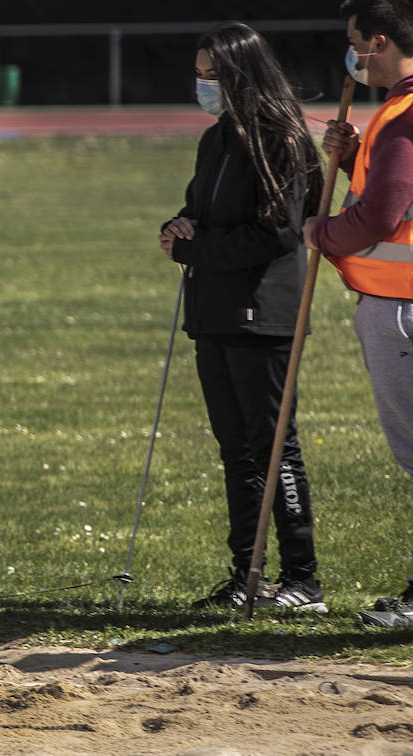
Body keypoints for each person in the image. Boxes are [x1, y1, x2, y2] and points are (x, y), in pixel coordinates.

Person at [159, 22, 326, 611]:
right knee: (236, 451)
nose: (205, 86)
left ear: (241, 74)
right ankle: (246, 576)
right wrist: (178, 225)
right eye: (200, 76)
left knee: (275, 446)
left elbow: (278, 233)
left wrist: (194, 249)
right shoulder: (218, 138)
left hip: (265, 314)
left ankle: (302, 579)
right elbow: (201, 209)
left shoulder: (283, 137)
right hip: (215, 313)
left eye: (214, 76)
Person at [304, 0, 413, 626]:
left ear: (377, 42)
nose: (351, 56)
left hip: (402, 310)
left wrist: (322, 232)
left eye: (354, 43)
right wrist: (350, 161)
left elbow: (379, 218)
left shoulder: (402, 114)